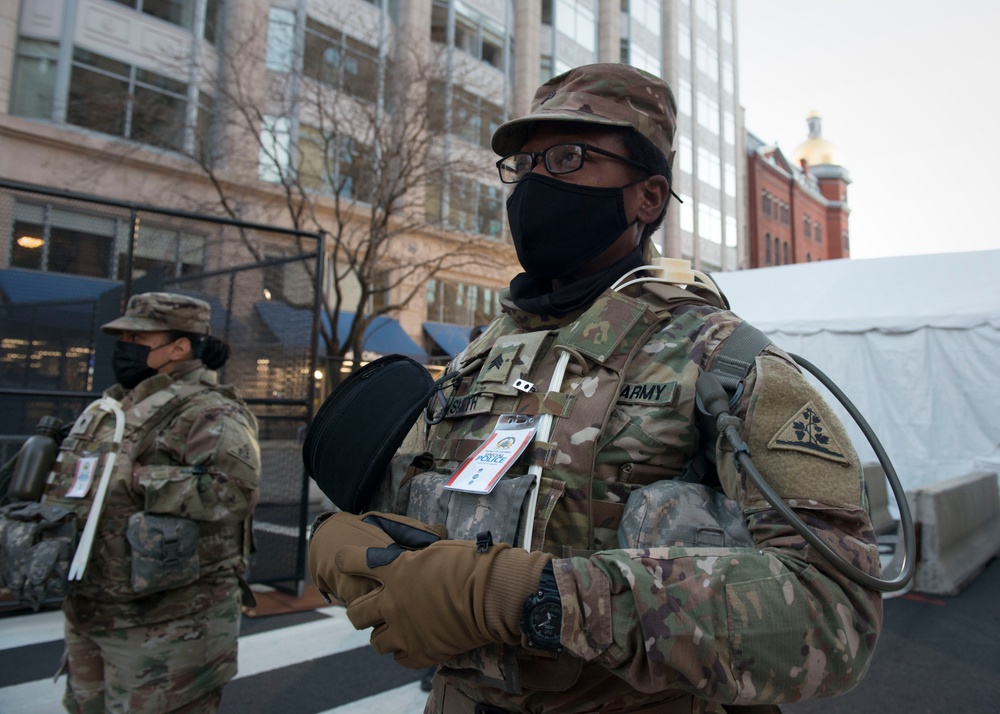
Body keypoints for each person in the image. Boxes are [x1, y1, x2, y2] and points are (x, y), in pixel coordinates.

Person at [309, 64, 882, 713]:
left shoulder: (721, 360)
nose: (535, 184)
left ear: (648, 197)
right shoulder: (478, 356)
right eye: (524, 165)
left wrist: (544, 599)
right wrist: (349, 543)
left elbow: (836, 614)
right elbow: (408, 521)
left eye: (569, 156)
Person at [41, 292, 261, 713]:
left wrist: (137, 477)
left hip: (167, 625)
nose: (123, 349)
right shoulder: (114, 406)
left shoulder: (211, 412)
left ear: (179, 347)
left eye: (136, 339)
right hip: (93, 608)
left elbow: (236, 492)